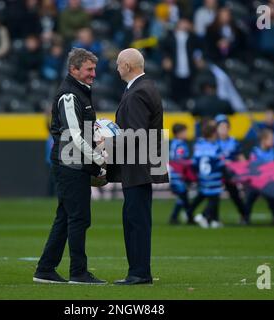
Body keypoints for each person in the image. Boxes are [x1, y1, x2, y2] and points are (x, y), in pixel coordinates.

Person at [34, 48, 107, 285]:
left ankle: (45, 269)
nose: (93, 74)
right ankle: (79, 272)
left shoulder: (80, 92)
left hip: (74, 162)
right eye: (89, 69)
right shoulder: (69, 95)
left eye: (94, 69)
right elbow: (74, 136)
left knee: (66, 217)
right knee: (79, 218)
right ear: (73, 70)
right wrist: (98, 159)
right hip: (69, 164)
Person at [107, 48, 169, 285]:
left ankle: (139, 273)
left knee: (136, 222)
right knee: (136, 219)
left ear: (128, 66)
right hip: (142, 166)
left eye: (119, 64)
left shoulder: (137, 92)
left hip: (137, 167)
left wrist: (107, 142)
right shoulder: (146, 87)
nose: (116, 68)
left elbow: (136, 133)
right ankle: (140, 271)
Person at [186, 120, 225, 229]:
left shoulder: (199, 146)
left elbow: (194, 163)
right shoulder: (215, 147)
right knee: (214, 198)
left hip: (203, 177)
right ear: (213, 134)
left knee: (208, 197)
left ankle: (213, 220)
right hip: (214, 177)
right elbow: (220, 163)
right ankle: (203, 215)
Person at [245, 128, 274, 225]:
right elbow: (254, 167)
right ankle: (245, 217)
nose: (273, 141)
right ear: (263, 140)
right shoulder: (255, 152)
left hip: (269, 181)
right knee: (249, 199)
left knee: (272, 200)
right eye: (271, 139)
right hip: (257, 182)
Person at [215, 114, 247, 224]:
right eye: (221, 127)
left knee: (235, 195)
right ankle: (214, 217)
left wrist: (244, 170)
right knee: (214, 196)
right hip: (217, 174)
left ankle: (244, 215)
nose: (223, 129)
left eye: (225, 126)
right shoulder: (214, 142)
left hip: (230, 174)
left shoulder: (234, 142)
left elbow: (241, 158)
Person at [168, 123, 193, 225]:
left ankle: (174, 217)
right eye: (184, 132)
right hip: (178, 175)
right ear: (178, 133)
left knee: (182, 197)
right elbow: (178, 159)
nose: (186, 134)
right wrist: (190, 162)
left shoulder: (175, 143)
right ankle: (190, 217)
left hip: (177, 175)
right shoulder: (179, 145)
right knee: (184, 197)